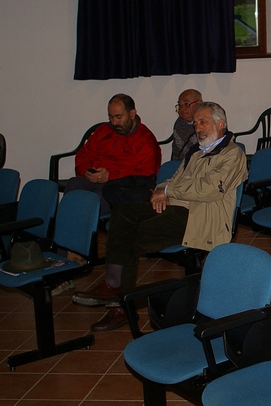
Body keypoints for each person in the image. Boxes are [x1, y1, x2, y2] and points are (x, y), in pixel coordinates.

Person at [72, 102, 248, 332]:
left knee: (134, 235)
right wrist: (160, 190)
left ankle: (122, 305)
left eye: (203, 122)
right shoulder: (195, 152)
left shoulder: (232, 154)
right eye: (195, 123)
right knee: (122, 213)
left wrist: (169, 191)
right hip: (175, 207)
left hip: (199, 216)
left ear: (220, 123)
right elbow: (172, 179)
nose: (198, 128)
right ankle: (112, 286)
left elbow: (209, 189)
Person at [66, 94, 161, 214]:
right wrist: (86, 171)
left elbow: (146, 175)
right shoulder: (103, 130)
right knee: (74, 184)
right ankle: (66, 228)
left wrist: (110, 176)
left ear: (132, 114)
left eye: (118, 117)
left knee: (91, 201)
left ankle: (81, 228)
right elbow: (84, 154)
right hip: (95, 180)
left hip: (119, 187)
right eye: (110, 117)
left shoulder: (145, 139)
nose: (114, 122)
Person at [172, 89, 202, 161]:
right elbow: (177, 153)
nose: (182, 109)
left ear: (199, 103)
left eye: (186, 104)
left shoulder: (210, 122)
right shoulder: (180, 123)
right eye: (180, 105)